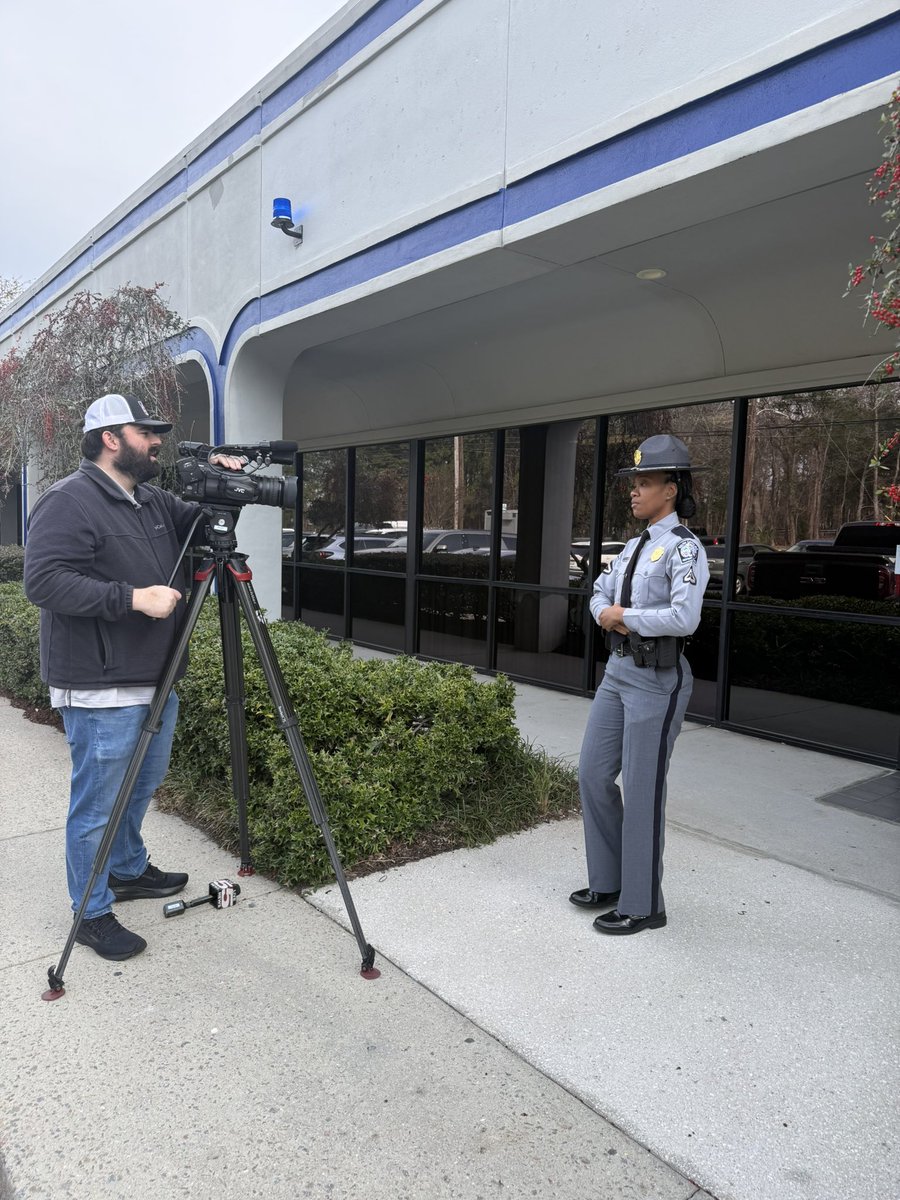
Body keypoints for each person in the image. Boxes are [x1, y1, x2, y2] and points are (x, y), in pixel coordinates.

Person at [24, 393, 245, 962]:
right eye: (144, 432)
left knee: (141, 787)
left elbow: (201, 525)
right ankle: (91, 912)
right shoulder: (68, 500)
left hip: (156, 679)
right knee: (96, 806)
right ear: (109, 438)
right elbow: (43, 582)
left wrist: (221, 486)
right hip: (100, 689)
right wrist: (131, 599)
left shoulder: (149, 499)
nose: (156, 442)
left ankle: (125, 870)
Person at [570, 434, 710, 935]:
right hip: (617, 672)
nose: (634, 491)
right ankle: (608, 881)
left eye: (644, 482)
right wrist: (611, 616)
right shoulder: (632, 547)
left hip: (657, 679)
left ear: (670, 490)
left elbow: (684, 616)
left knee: (643, 788)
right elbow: (596, 596)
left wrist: (623, 616)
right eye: (633, 483)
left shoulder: (685, 550)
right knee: (591, 773)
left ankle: (644, 903)